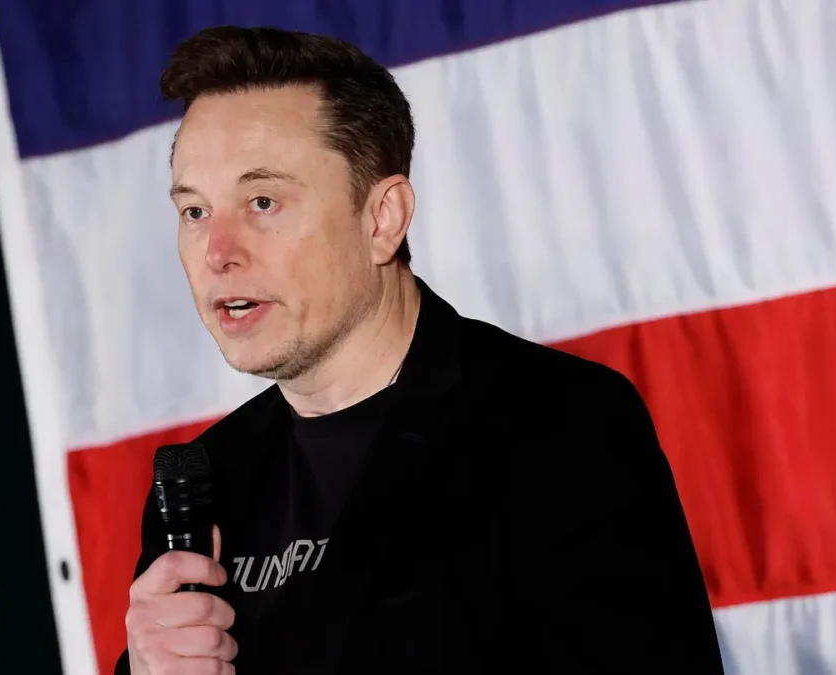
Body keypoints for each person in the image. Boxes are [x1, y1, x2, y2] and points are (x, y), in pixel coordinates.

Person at [116, 25, 725, 675]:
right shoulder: (207, 481)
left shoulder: (558, 427)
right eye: (195, 212)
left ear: (383, 219)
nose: (218, 253)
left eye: (262, 202)